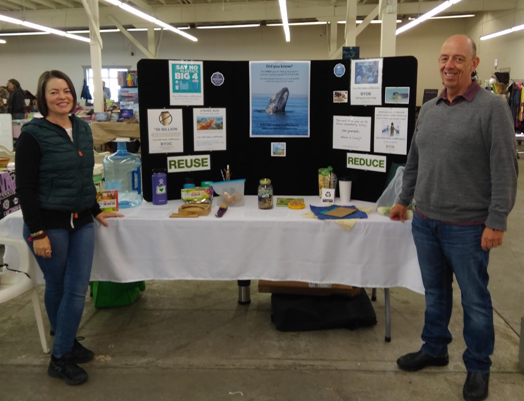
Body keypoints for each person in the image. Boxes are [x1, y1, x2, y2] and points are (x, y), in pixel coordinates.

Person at [390, 35, 518, 401]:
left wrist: (497, 221)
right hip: (425, 221)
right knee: (435, 293)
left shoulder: (492, 109)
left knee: (475, 301)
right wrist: (404, 200)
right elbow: (414, 161)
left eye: (458, 59)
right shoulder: (428, 108)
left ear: (474, 64)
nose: (449, 65)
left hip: (469, 228)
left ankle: (479, 367)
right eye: (445, 58)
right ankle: (434, 348)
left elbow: (505, 170)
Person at [15, 70, 123, 385]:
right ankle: (60, 358)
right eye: (54, 92)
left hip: (81, 221)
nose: (62, 97)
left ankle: (66, 342)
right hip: (50, 225)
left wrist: (95, 208)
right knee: (61, 288)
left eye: (67, 91)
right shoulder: (33, 134)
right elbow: (25, 188)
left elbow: (82, 176)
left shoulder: (82, 128)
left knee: (75, 289)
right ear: (42, 97)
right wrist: (37, 233)